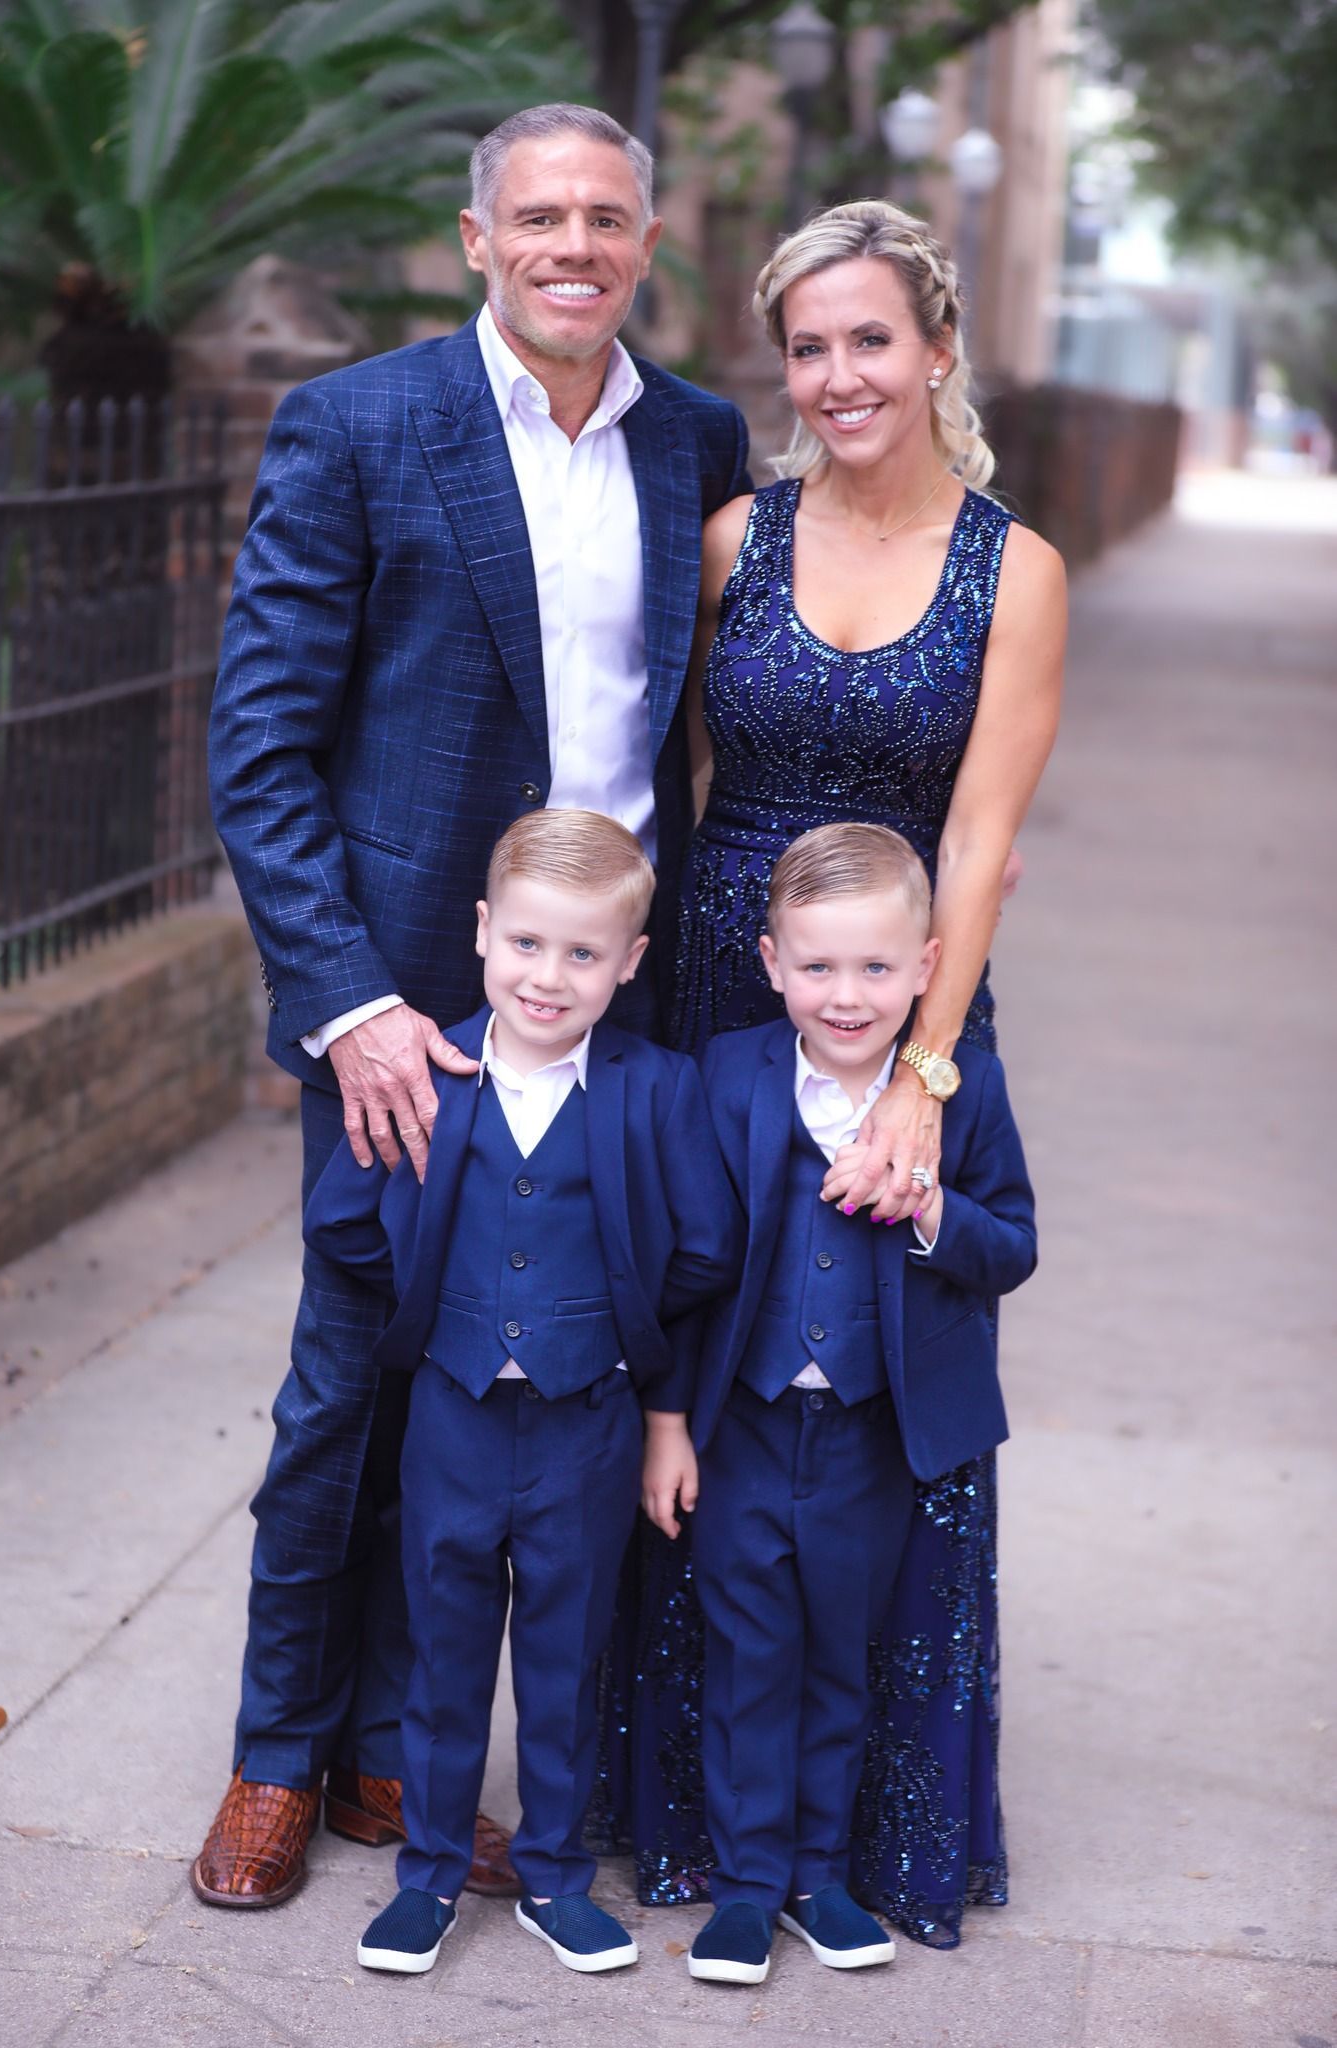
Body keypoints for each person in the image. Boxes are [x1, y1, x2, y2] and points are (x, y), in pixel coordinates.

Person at [198, 103, 751, 1908]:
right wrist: (347, 1002)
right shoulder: (361, 424)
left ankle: (403, 1758)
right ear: (475, 236)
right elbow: (263, 746)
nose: (571, 245)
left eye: (605, 216)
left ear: (647, 244)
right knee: (350, 1390)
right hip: (413, 1016)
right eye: (538, 216)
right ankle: (285, 1757)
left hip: (624, 1025)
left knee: (551, 1401)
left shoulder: (700, 442)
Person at [610, 199, 1063, 1946]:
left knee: (883, 1380)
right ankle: (691, 1820)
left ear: (937, 349)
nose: (840, 373)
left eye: (872, 337)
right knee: (711, 1367)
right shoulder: (737, 534)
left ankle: (885, 1830)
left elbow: (983, 830)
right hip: (729, 979)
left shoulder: (1014, 570)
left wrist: (924, 1071)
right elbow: (682, 763)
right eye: (808, 345)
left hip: (908, 993)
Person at [303, 810, 743, 1976]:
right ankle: (431, 1873)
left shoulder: (659, 1090)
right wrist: (434, 1300)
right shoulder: (431, 1072)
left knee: (566, 1655)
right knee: (444, 1659)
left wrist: (623, 1342)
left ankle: (552, 1873)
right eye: (530, 944)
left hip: (586, 1426)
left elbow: (702, 1244)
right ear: (485, 931)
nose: (551, 975)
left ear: (630, 961)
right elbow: (344, 1222)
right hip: (451, 1417)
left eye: (585, 952)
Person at [663, 822, 1035, 1985]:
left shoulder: (958, 1096)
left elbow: (1012, 1243)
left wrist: (929, 1209)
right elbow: (679, 1269)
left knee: (838, 1658)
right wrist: (666, 1421)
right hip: (746, 1424)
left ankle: (820, 1873)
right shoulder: (722, 1076)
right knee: (747, 1654)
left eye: (877, 967)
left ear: (929, 965)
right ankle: (744, 1884)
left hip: (875, 1439)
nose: (846, 993)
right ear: (770, 962)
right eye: (818, 966)